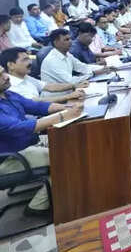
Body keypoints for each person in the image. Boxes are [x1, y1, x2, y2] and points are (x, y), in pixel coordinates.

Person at [0, 62, 83, 215]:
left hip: (29, 145)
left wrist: (67, 108)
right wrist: (63, 116)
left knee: (77, 144)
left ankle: (70, 189)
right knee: (67, 157)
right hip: (10, 159)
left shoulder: (9, 95)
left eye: (4, 72)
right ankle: (37, 206)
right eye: (0, 76)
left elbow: (38, 107)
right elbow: (21, 127)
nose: (6, 77)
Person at [1, 47, 86, 103]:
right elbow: (36, 102)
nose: (30, 62)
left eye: (29, 59)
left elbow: (49, 86)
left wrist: (74, 85)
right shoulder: (9, 85)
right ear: (11, 65)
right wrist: (68, 97)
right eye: (25, 60)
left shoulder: (25, 77)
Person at [41, 29, 108, 92]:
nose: (70, 41)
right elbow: (70, 81)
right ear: (56, 43)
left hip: (70, 92)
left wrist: (104, 68)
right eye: (66, 40)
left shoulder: (67, 54)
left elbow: (83, 67)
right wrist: (93, 73)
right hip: (56, 97)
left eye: (70, 38)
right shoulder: (51, 61)